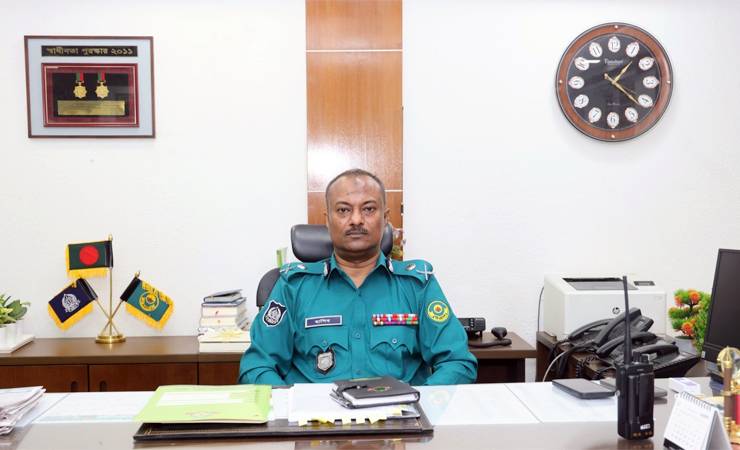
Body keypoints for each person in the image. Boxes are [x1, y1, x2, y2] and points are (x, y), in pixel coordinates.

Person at [239, 169, 477, 385]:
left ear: (385, 218)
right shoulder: (293, 287)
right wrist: (290, 409)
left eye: (368, 209)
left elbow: (457, 362)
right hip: (315, 418)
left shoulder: (417, 286)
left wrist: (418, 403)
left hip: (400, 416)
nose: (356, 220)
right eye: (343, 210)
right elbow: (256, 367)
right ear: (327, 219)